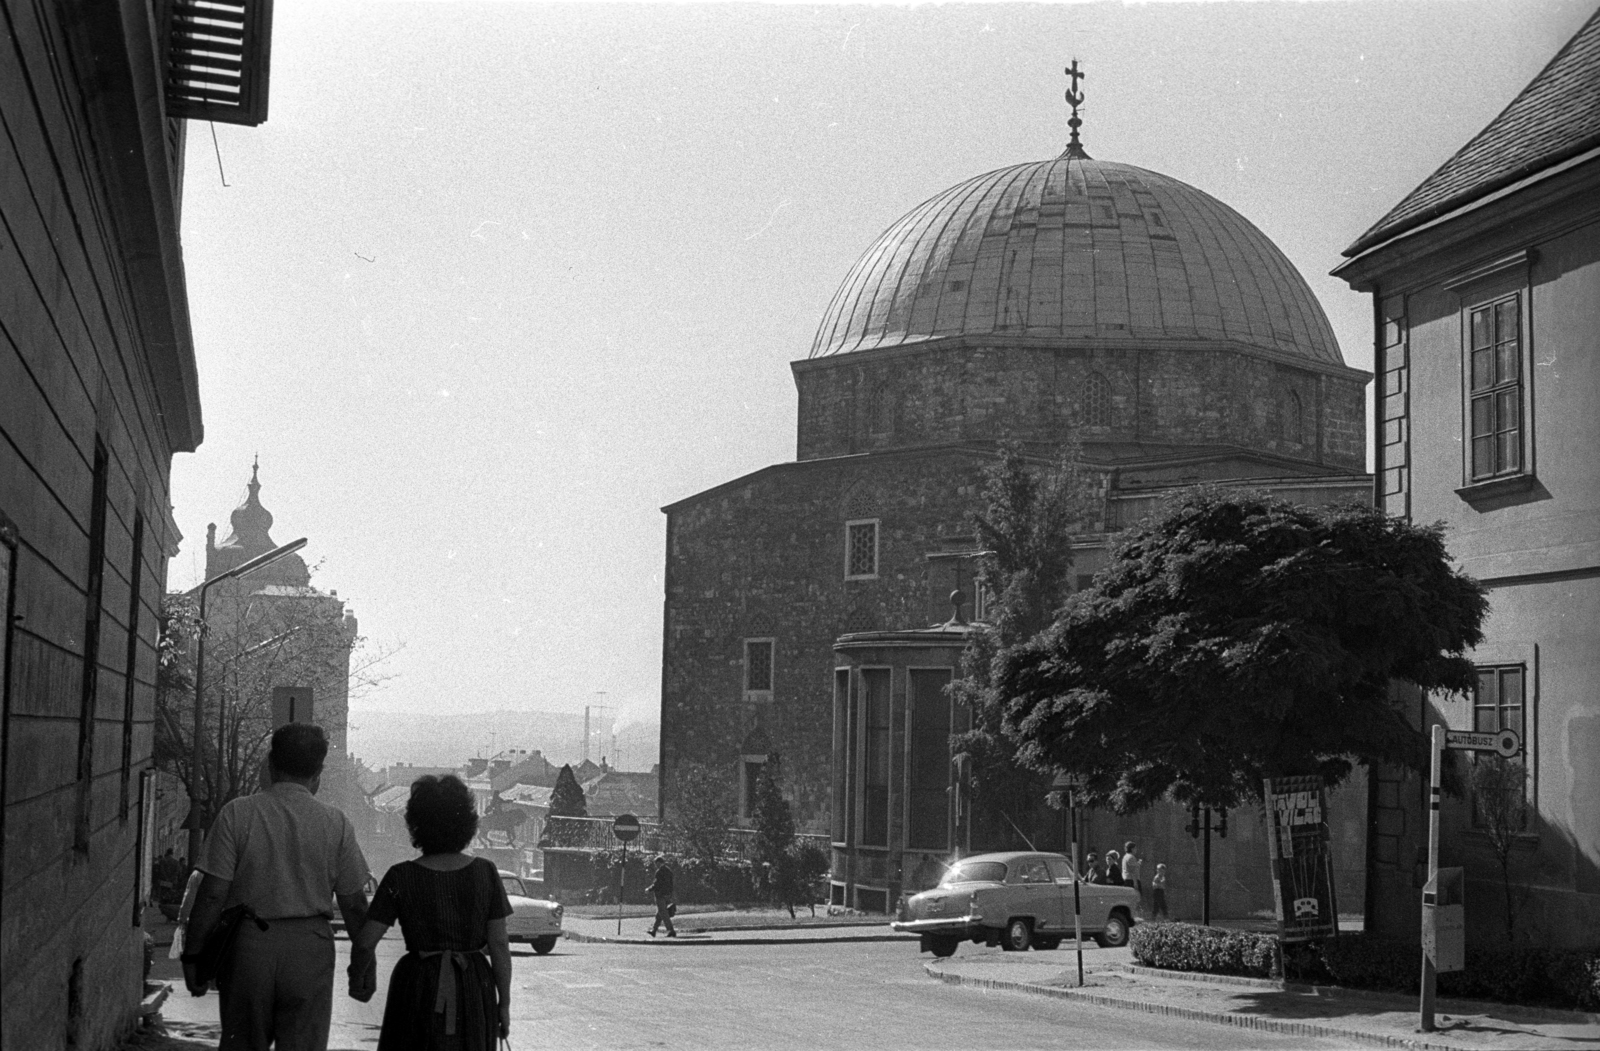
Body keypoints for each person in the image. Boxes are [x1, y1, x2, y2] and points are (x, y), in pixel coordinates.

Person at [182, 723, 373, 1051]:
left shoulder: (237, 814)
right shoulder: (336, 823)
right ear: (318, 773)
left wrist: (193, 957)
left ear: (270, 766)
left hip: (248, 948)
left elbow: (212, 894)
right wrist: (363, 966)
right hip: (310, 951)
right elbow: (355, 904)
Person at [350, 776, 512, 1051]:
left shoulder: (400, 876)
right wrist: (503, 1004)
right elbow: (499, 945)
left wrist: (359, 979)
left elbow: (365, 942)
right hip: (473, 986)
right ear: (467, 823)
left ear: (416, 824)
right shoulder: (486, 873)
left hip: (417, 986)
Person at [647, 855, 676, 938]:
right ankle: (654, 930)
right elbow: (671, 884)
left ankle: (671, 930)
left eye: (656, 863)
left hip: (660, 895)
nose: (656, 865)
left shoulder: (659, 872)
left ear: (659, 863)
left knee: (663, 913)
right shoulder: (669, 871)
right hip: (667, 895)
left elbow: (656, 884)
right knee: (659, 914)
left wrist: (649, 889)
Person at [1122, 841, 1144, 907]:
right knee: (1136, 898)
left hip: (1126, 879)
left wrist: (1138, 863)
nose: (1136, 850)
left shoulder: (1125, 857)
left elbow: (1131, 867)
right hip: (1132, 880)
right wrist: (1135, 883)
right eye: (1135, 848)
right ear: (1132, 849)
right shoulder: (1131, 857)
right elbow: (1133, 871)